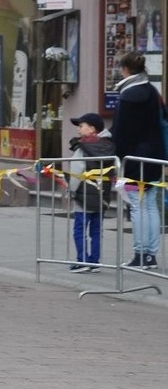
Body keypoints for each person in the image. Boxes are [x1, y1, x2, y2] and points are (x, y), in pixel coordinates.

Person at [111, 51, 165, 269]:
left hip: (133, 159)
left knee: (137, 206)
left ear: (125, 70)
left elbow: (121, 132)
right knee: (150, 205)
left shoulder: (128, 95)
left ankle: (140, 254)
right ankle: (150, 255)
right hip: (155, 156)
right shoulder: (152, 91)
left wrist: (118, 158)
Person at [67, 113, 115, 273]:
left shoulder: (83, 148)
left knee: (79, 229)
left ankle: (82, 260)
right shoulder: (109, 145)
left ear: (92, 128)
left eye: (81, 126)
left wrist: (71, 190)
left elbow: (77, 171)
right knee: (96, 229)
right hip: (102, 196)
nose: (79, 130)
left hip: (84, 196)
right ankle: (95, 262)